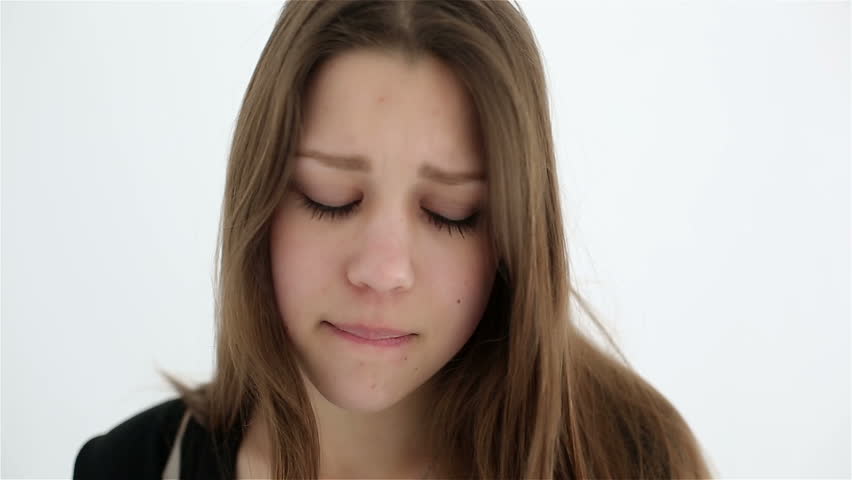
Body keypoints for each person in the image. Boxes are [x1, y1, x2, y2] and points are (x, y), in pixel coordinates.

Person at [74, 0, 714, 478]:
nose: (383, 270)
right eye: (331, 198)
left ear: (515, 238)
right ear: (258, 198)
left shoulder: (633, 460)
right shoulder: (126, 468)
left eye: (451, 212)